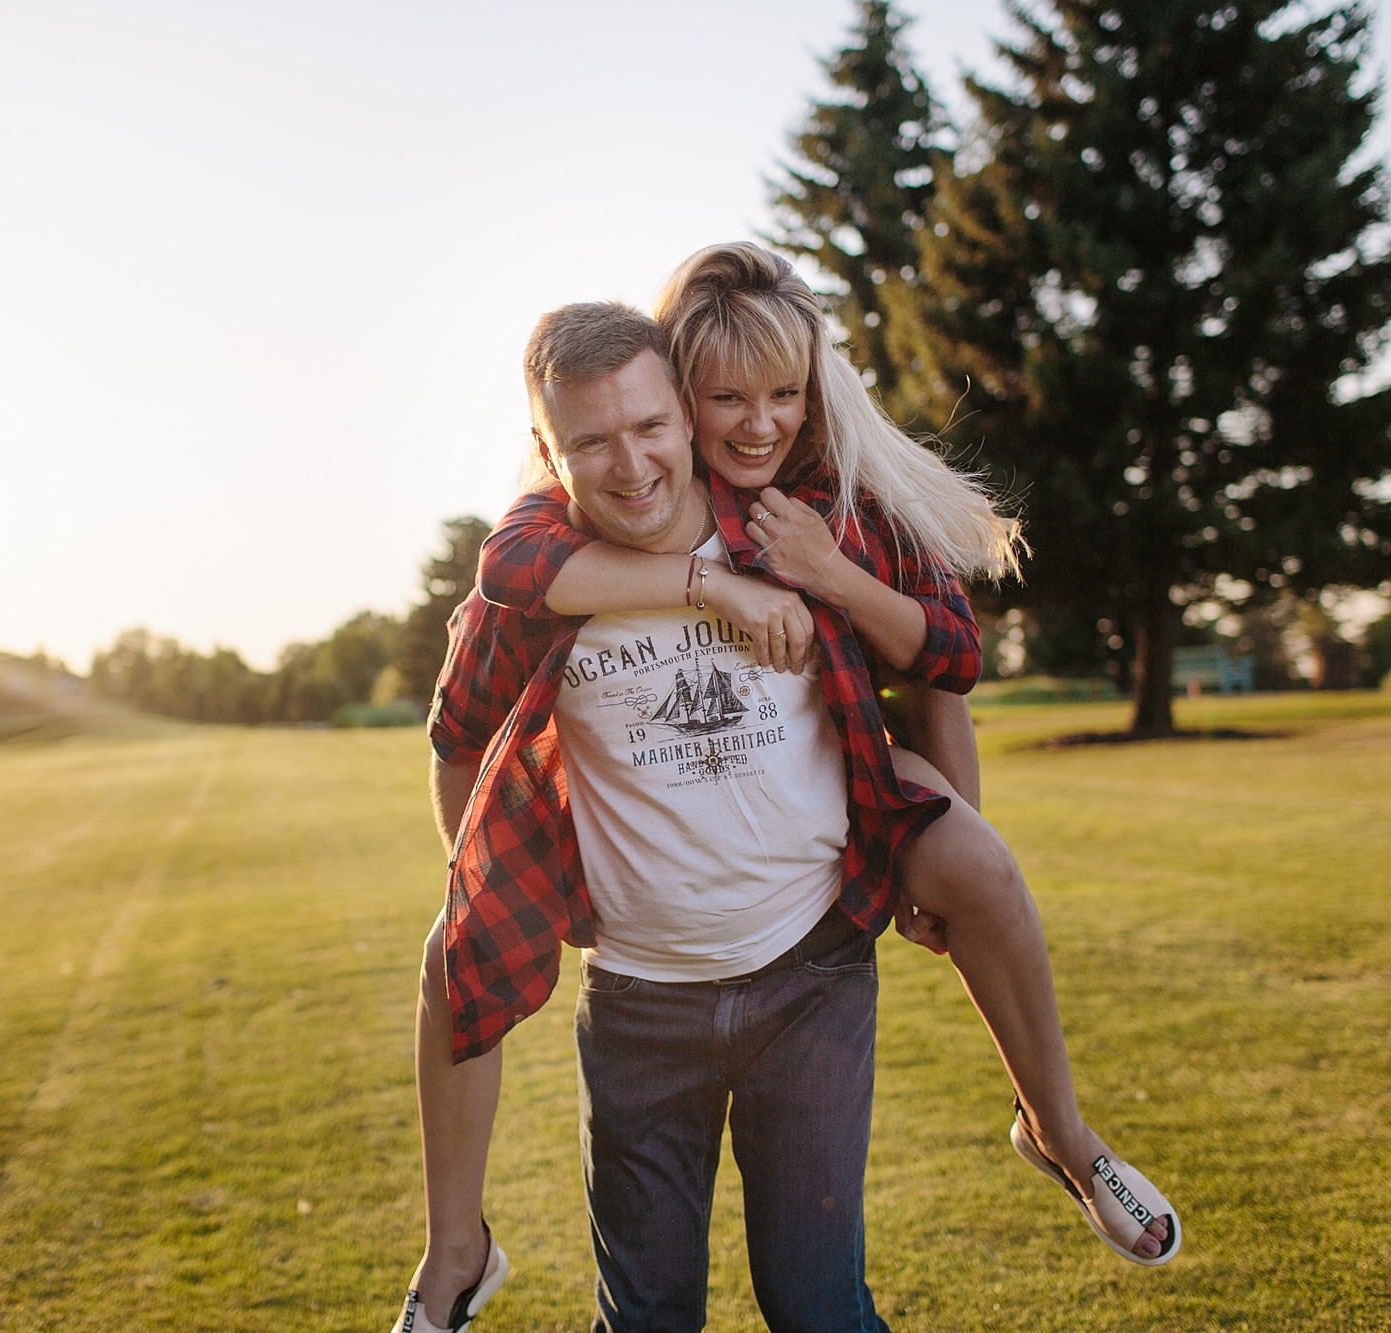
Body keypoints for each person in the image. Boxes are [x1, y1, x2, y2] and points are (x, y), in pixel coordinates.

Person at [473, 244, 1179, 1275]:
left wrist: (827, 573)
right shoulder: (622, 505)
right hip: (671, 928)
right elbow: (509, 564)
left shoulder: (839, 508)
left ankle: (1058, 1130)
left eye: (784, 395)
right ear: (679, 393)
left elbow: (949, 662)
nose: (758, 422)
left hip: (850, 792)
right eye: (725, 398)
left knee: (982, 869)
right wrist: (711, 586)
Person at [405, 301, 921, 1332]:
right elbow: (457, 744)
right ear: (550, 454)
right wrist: (531, 889)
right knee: (644, 1318)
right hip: (641, 1002)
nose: (629, 463)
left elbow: (930, 655)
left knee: (819, 1307)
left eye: (647, 426)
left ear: (687, 418)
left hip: (810, 976)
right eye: (589, 441)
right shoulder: (526, 600)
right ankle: (453, 1249)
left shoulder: (786, 539)